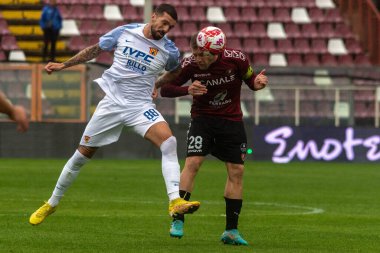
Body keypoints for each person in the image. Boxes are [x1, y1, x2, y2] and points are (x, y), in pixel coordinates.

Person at [29, 4, 200, 226]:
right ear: (154, 16)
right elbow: (95, 50)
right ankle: (51, 203)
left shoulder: (169, 50)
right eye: (164, 23)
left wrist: (157, 82)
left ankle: (174, 201)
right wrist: (64, 65)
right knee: (81, 156)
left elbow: (176, 70)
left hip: (140, 106)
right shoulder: (125, 32)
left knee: (169, 142)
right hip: (111, 104)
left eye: (171, 26)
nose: (166, 29)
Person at [159, 27, 268, 245]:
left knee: (236, 171)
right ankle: (178, 218)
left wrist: (257, 84)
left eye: (203, 55)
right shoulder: (190, 65)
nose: (197, 58)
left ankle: (231, 231)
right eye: (196, 53)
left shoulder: (237, 60)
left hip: (232, 121)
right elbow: (165, 89)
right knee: (193, 163)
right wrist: (187, 90)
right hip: (202, 120)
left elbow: (251, 79)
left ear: (217, 53)